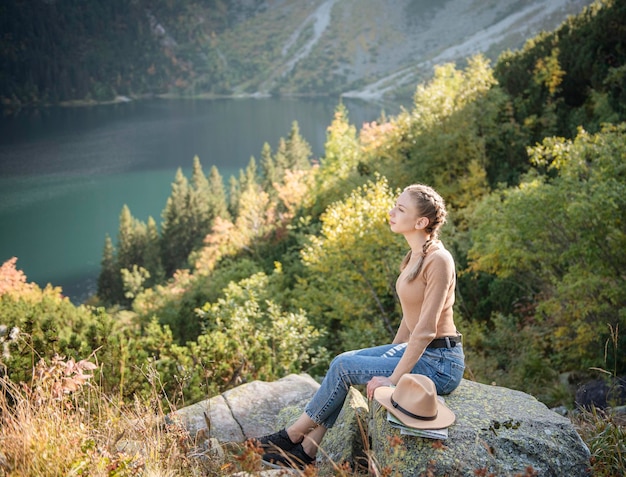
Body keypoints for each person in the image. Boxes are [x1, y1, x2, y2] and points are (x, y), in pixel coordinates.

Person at [254, 183, 465, 469]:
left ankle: (291, 435)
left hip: (440, 362)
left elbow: (426, 329)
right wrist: (387, 356)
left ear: (421, 222)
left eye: (400, 209)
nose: (392, 212)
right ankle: (306, 451)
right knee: (344, 361)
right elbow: (409, 317)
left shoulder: (439, 260)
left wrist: (391, 377)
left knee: (344, 369)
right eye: (395, 205)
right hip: (421, 352)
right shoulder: (413, 256)